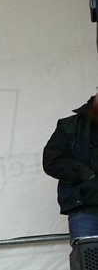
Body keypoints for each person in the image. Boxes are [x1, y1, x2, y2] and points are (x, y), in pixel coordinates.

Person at [43, 93, 98, 243]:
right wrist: (86, 175)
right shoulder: (69, 126)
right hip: (86, 211)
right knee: (89, 261)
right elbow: (52, 161)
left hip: (85, 213)